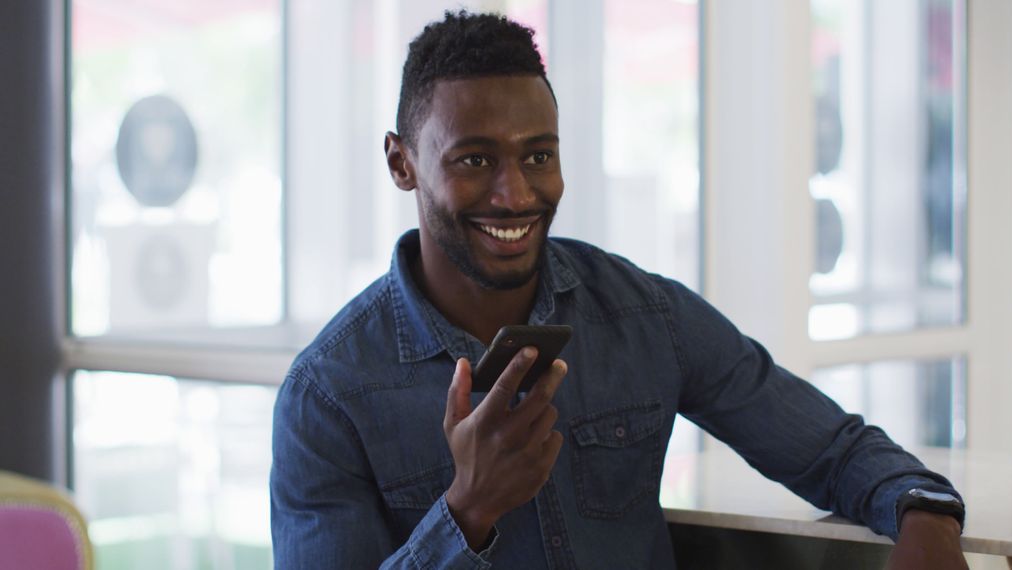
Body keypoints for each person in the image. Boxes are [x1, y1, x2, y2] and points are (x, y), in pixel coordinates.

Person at [270, 10, 967, 569]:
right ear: (402, 163)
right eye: (474, 159)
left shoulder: (646, 316)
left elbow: (836, 451)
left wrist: (925, 516)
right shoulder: (328, 394)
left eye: (538, 155)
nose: (515, 194)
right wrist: (467, 512)